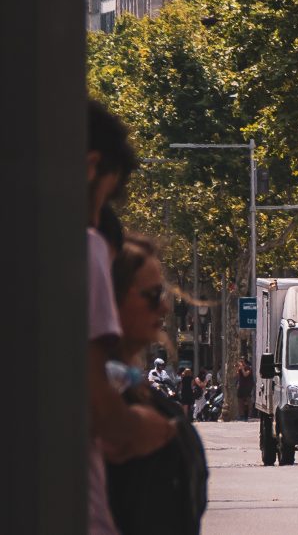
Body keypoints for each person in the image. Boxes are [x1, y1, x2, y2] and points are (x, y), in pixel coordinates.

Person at [88, 101, 176, 535]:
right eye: (153, 295)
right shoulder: (85, 247)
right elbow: (95, 402)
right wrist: (142, 427)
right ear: (90, 169)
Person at [107, 235, 209, 535]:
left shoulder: (136, 393)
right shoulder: (104, 408)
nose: (164, 307)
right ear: (109, 299)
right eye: (152, 295)